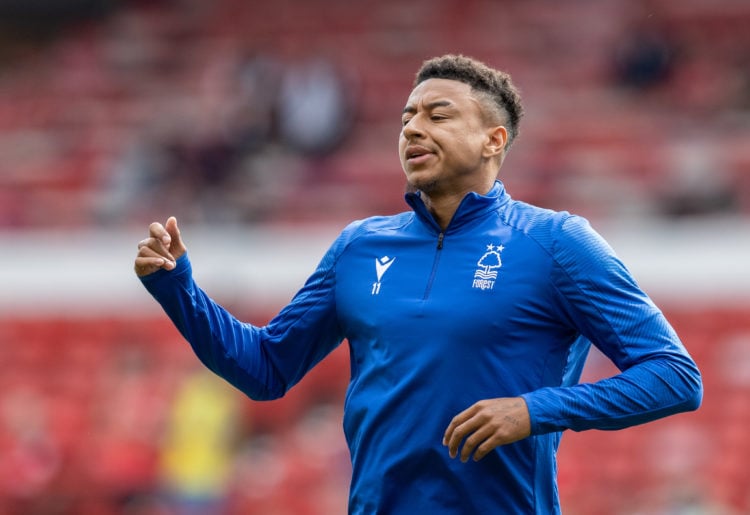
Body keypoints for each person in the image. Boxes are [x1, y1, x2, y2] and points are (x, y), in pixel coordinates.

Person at [134, 54, 703, 514]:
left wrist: (535, 411)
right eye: (407, 117)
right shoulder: (359, 246)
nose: (412, 128)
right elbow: (264, 370)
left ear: (493, 141)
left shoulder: (557, 242)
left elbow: (675, 376)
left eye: (438, 114)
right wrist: (178, 288)